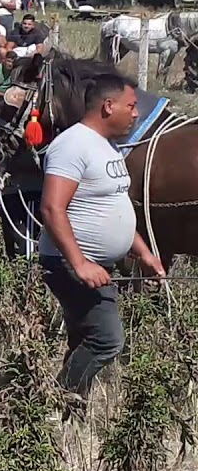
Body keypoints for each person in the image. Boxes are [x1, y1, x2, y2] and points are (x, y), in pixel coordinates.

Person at [38, 73, 165, 399]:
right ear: (109, 106)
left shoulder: (107, 147)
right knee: (106, 339)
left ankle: (68, 414)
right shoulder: (72, 145)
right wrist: (80, 264)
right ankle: (60, 401)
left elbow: (111, 205)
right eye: (131, 106)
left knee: (84, 339)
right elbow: (52, 209)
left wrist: (142, 251)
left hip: (95, 264)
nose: (136, 114)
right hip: (70, 264)